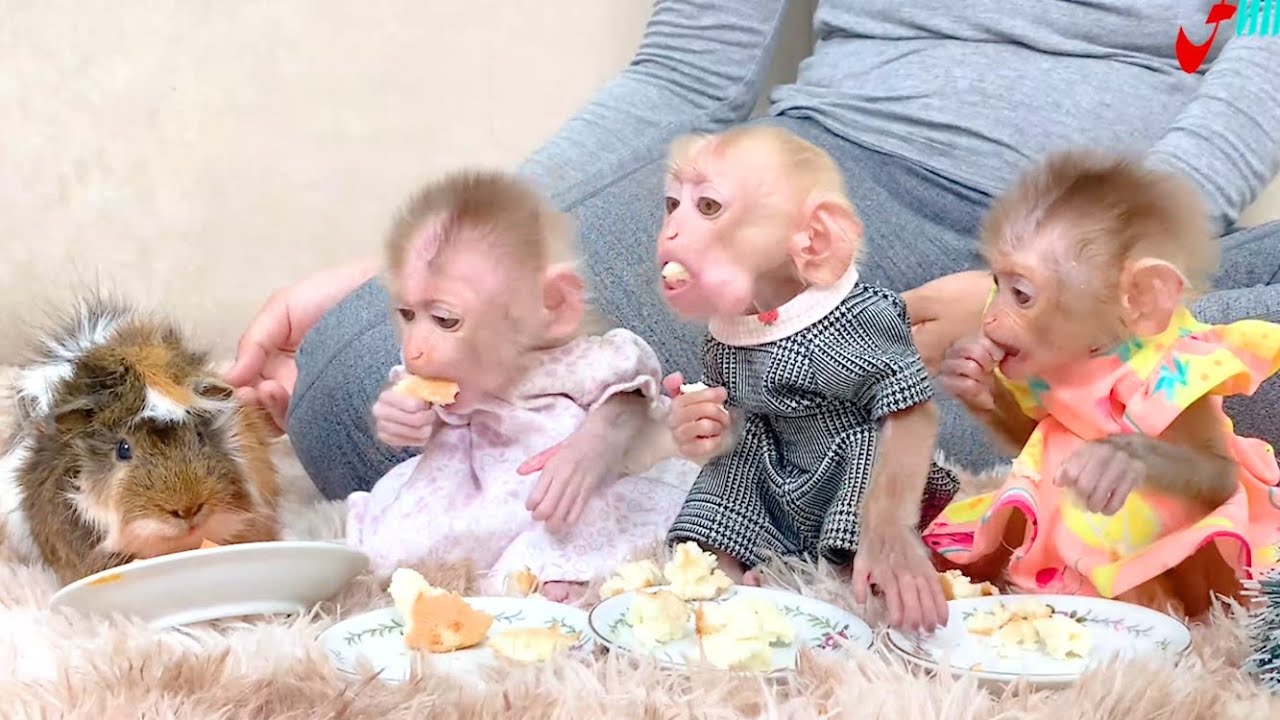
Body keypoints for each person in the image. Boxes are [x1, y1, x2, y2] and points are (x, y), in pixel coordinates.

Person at [228, 0, 1280, 510]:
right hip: (827, 192)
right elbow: (685, 75)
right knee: (354, 390)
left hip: (1142, 240)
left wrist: (1049, 297)